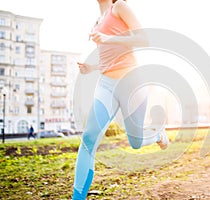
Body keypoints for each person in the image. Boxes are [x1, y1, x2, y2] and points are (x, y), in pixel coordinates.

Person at [72, 0, 169, 199]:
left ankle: (157, 134)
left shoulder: (119, 7)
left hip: (131, 83)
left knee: (135, 142)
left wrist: (107, 38)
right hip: (105, 85)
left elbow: (143, 38)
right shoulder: (97, 22)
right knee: (89, 139)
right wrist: (91, 68)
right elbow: (110, 57)